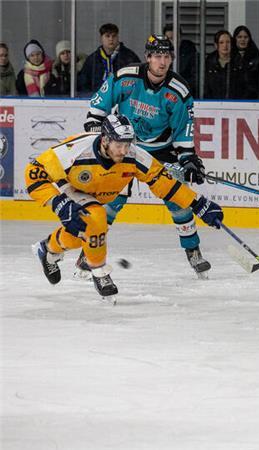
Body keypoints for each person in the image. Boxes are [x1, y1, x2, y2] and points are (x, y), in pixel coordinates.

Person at [27, 114, 223, 300]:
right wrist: (59, 204)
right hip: (71, 188)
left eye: (127, 145)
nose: (124, 150)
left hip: (96, 193)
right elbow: (34, 172)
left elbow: (164, 183)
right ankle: (99, 271)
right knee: (96, 219)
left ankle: (48, 250)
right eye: (119, 144)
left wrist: (198, 203)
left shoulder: (135, 156)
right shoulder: (74, 150)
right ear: (104, 140)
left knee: (81, 235)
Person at [83, 34, 212, 278]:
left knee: (178, 199)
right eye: (157, 56)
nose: (162, 62)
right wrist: (95, 121)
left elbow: (183, 131)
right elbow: (100, 103)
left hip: (161, 149)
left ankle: (193, 251)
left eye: (167, 57)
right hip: (125, 147)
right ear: (148, 58)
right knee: (112, 200)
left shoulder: (179, 91)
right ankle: (88, 254)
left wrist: (188, 159)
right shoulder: (126, 77)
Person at [77, 23, 140, 95]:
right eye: (107, 36)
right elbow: (83, 83)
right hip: (99, 101)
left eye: (114, 36)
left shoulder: (129, 57)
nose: (111, 39)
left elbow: (138, 80)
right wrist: (92, 96)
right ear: (101, 38)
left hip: (123, 100)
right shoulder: (92, 59)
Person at [204, 30, 246, 99]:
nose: (225, 45)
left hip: (236, 104)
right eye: (221, 42)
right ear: (216, 45)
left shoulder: (239, 63)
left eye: (228, 42)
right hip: (213, 104)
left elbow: (245, 87)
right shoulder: (209, 63)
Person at [163, 23, 199, 96]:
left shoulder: (191, 53)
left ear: (180, 37)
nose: (171, 42)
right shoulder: (161, 55)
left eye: (174, 38)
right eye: (169, 39)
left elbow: (196, 79)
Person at [232, 25, 259, 99]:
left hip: (252, 100)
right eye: (239, 37)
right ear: (235, 39)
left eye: (245, 37)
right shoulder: (229, 56)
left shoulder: (257, 58)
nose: (243, 40)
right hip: (233, 99)